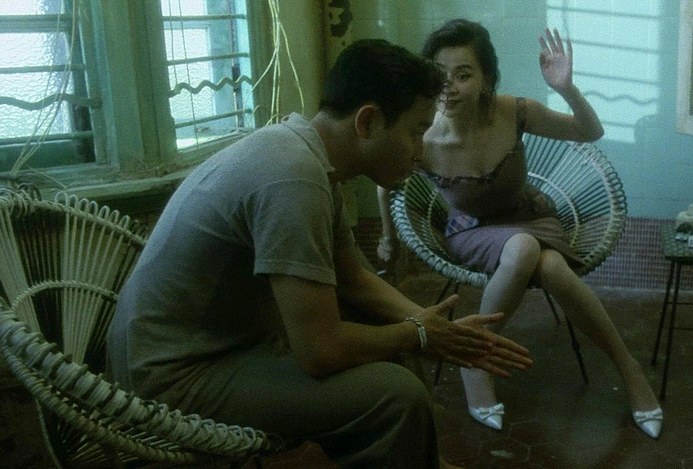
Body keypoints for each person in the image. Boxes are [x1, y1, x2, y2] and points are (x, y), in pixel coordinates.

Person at [106, 38, 533, 468]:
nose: (420, 152)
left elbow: (355, 280)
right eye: (414, 131)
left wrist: (432, 326)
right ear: (368, 122)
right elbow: (320, 351)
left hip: (207, 350)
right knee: (394, 397)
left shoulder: (307, 154)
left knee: (391, 331)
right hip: (172, 379)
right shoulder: (294, 179)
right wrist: (421, 335)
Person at [383, 19, 663, 439]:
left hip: (531, 216)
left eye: (463, 75)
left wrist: (566, 88)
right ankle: (477, 359)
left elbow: (590, 132)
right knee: (523, 250)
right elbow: (385, 183)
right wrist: (388, 237)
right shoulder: (423, 138)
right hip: (472, 231)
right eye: (440, 75)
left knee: (549, 264)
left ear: (486, 78)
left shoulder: (513, 112)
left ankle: (628, 368)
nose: (449, 88)